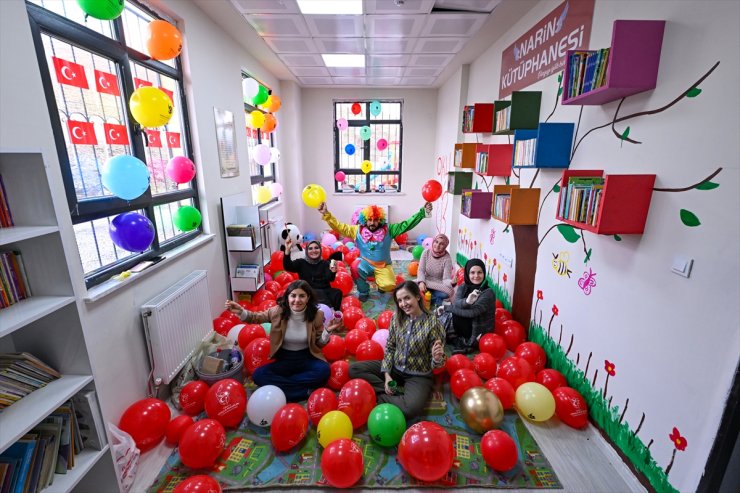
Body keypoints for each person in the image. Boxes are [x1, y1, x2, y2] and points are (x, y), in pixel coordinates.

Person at [225, 280, 341, 402]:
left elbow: (318, 344)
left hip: (307, 357)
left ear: (308, 298)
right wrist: (241, 312)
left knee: (324, 371)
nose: (297, 300)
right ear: (287, 297)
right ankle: (303, 392)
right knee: (258, 375)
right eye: (293, 296)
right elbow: (255, 317)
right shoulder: (277, 312)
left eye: (302, 296)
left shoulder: (317, 315)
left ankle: (285, 389)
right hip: (284, 359)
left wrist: (327, 332)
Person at [349, 281, 445, 419]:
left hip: (418, 375)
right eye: (399, 300)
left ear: (418, 297)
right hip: (395, 368)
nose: (403, 304)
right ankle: (392, 392)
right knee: (354, 369)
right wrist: (387, 376)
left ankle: (381, 397)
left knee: (411, 409)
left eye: (407, 298)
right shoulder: (396, 318)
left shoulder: (433, 323)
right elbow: (390, 347)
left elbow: (437, 363)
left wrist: (437, 359)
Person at [318, 201, 432, 301]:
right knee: (354, 266)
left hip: (383, 265)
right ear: (364, 220)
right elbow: (339, 227)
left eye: (376, 220)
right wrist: (326, 214)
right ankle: (364, 291)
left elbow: (407, 224)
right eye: (369, 220)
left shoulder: (390, 229)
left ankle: (381, 284)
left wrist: (422, 213)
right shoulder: (356, 230)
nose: (372, 223)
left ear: (380, 220)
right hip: (365, 264)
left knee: (388, 285)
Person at [437, 258, 496, 354]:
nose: (476, 276)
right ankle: (459, 338)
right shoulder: (463, 286)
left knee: (455, 313)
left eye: (479, 272)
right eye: (472, 272)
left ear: (484, 273)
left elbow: (473, 313)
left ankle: (468, 343)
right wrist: (467, 302)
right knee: (446, 320)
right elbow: (457, 303)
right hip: (464, 324)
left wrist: (446, 308)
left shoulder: (488, 292)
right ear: (468, 274)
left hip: (479, 329)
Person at [282, 237, 343, 310]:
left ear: (320, 250)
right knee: (316, 293)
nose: (313, 250)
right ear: (306, 251)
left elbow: (330, 279)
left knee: (338, 293)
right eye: (310, 248)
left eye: (316, 248)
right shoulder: (301, 263)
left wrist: (333, 272)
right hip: (308, 292)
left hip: (324, 291)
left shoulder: (326, 263)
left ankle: (334, 314)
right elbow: (288, 266)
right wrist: (287, 250)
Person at [416, 233, 455, 305]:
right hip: (426, 281)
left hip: (439, 284)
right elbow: (421, 270)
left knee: (446, 294)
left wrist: (451, 282)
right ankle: (439, 301)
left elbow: (446, 279)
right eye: (436, 242)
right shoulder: (426, 252)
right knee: (411, 286)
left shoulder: (447, 258)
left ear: (445, 246)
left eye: (441, 244)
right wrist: (421, 282)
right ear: (433, 241)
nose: (437, 245)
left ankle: (426, 296)